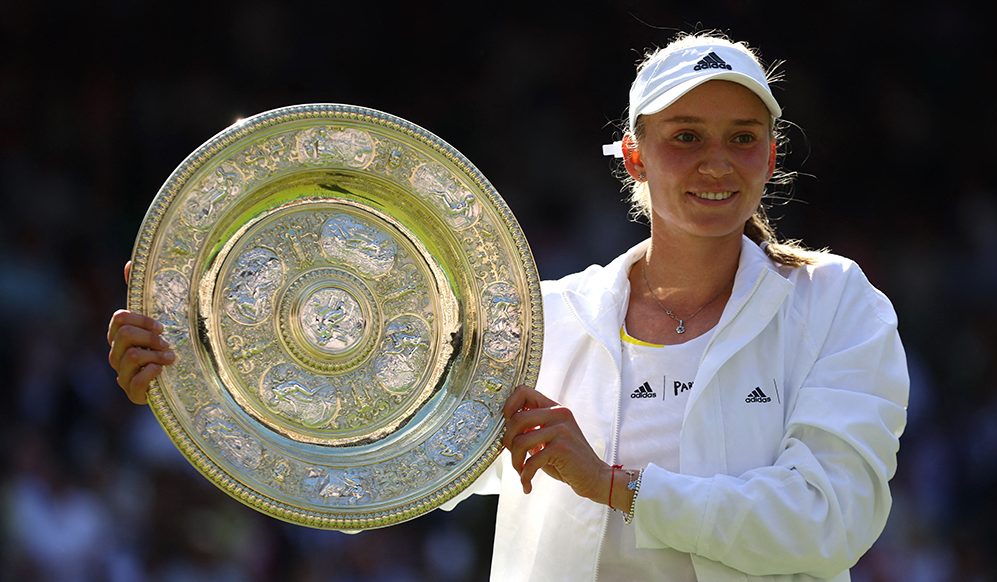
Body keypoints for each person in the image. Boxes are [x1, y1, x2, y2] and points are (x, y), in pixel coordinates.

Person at [108, 32, 909, 581]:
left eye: (742, 138)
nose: (715, 162)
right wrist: (193, 379)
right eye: (685, 135)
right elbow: (378, 474)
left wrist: (616, 485)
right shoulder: (549, 318)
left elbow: (828, 516)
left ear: (771, 156)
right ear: (633, 154)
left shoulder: (833, 304)